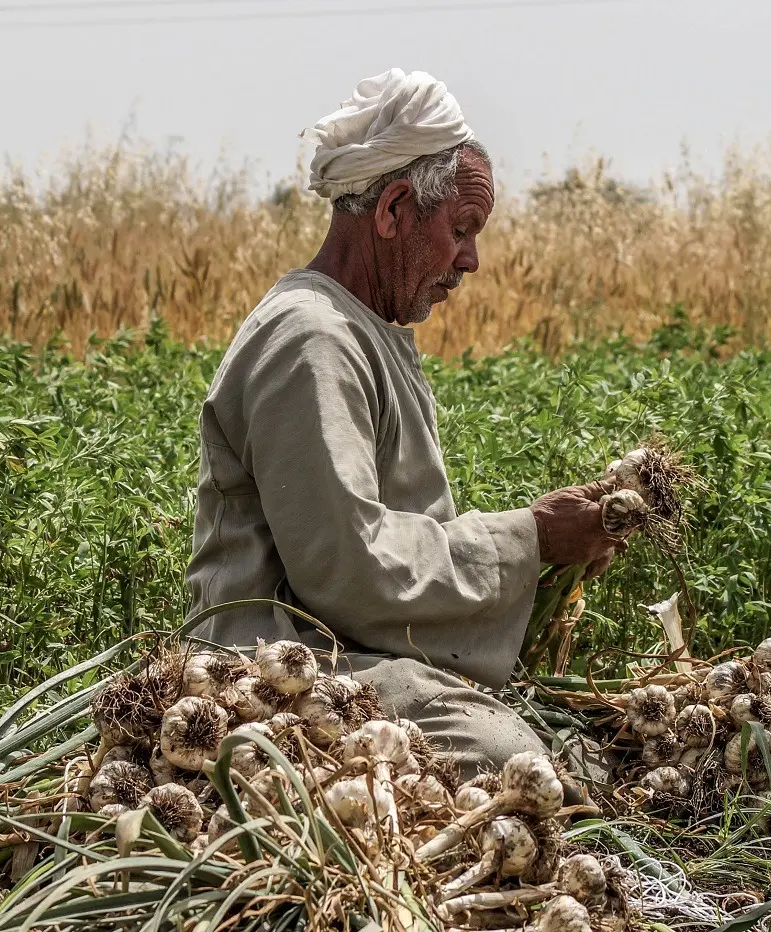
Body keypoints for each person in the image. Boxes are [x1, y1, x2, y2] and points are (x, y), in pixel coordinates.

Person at [185, 69, 622, 778]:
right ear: (392, 210)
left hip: (349, 653)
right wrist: (532, 538)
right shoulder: (312, 341)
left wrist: (544, 554)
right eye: (461, 229)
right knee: (505, 755)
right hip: (280, 673)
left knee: (572, 751)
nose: (470, 260)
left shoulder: (355, 330)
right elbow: (348, 567)